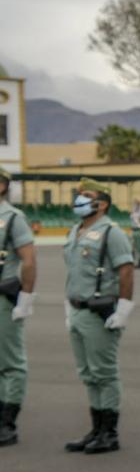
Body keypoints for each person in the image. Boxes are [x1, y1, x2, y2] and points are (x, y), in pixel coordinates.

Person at [63, 177, 135, 454]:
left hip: (99, 312)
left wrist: (124, 309)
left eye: (87, 195)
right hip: (78, 308)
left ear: (102, 204)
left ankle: (109, 432)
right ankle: (96, 428)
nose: (79, 199)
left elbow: (126, 270)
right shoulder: (75, 230)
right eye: (79, 194)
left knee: (104, 373)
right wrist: (68, 306)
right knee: (88, 374)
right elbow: (74, 272)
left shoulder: (111, 232)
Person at [0, 167, 36, 447]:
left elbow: (29, 260)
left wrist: (26, 298)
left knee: (12, 362)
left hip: (4, 297)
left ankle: (8, 422)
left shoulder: (14, 218)